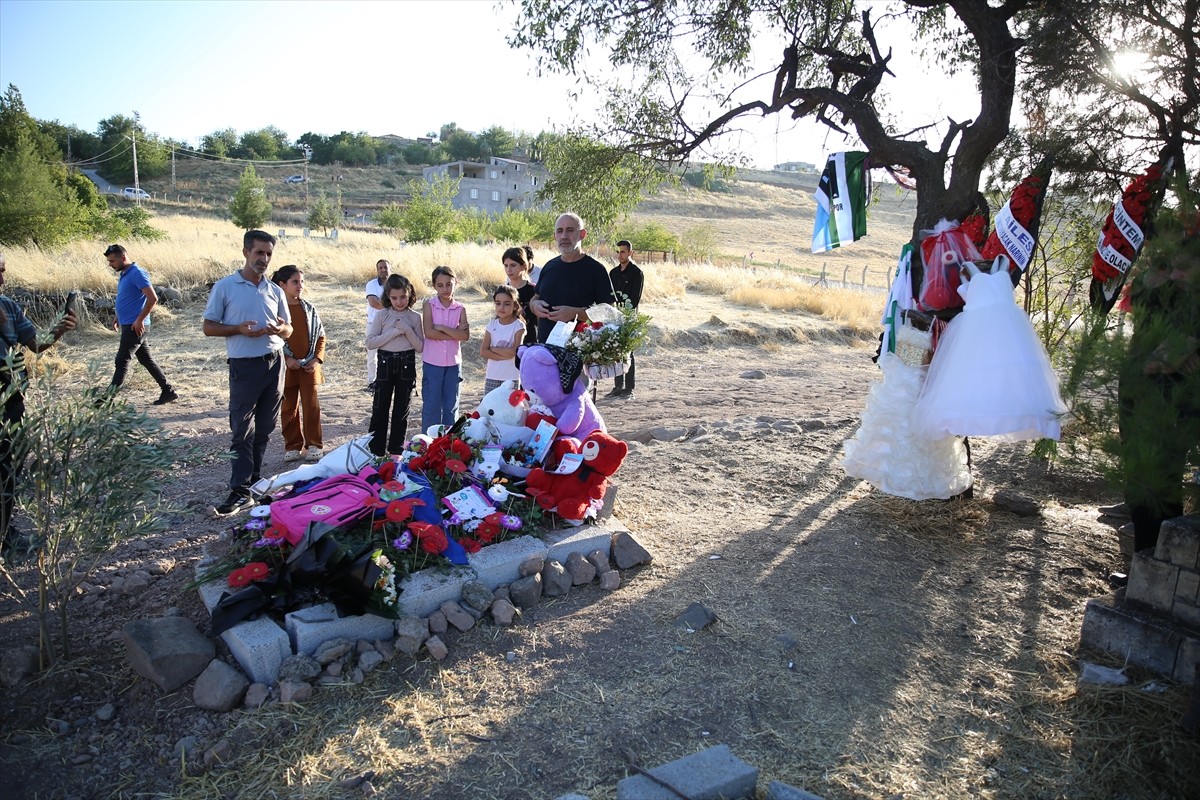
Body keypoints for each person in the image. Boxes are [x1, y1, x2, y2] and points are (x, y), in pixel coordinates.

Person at [203, 230, 292, 516]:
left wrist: (281, 330)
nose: (263, 259)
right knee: (242, 429)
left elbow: (289, 329)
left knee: (265, 427)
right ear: (245, 252)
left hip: (274, 363)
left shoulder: (276, 290)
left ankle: (254, 482)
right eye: (258, 252)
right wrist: (238, 329)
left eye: (268, 254)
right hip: (244, 366)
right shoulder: (226, 287)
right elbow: (209, 327)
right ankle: (238, 491)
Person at [0, 251, 77, 554]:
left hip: (11, 396)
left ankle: (5, 533)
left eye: (3, 270)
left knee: (10, 462)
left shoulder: (8, 305)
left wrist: (61, 327)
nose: (1, 278)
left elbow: (37, 342)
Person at [103, 244, 177, 405]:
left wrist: (139, 320)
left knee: (121, 360)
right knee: (146, 360)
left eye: (112, 261)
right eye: (109, 261)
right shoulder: (124, 273)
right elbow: (129, 298)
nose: (110, 264)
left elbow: (153, 298)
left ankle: (106, 401)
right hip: (129, 323)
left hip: (135, 326)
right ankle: (168, 391)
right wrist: (118, 316)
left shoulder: (137, 273)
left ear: (123, 258)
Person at [530, 213, 616, 343]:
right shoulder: (549, 266)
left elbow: (609, 312)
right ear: (555, 236)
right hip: (545, 350)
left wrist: (575, 313)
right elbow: (535, 297)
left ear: (582, 234)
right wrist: (534, 305)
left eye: (570, 230)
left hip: (581, 352)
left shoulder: (596, 270)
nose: (564, 236)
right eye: (559, 231)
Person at [272, 265, 325, 463]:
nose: (300, 286)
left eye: (302, 281)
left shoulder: (310, 309)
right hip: (286, 368)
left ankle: (314, 444)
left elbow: (321, 336)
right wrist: (287, 360)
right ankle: (292, 445)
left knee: (311, 407)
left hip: (309, 367)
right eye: (295, 282)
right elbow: (272, 339)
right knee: (288, 408)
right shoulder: (275, 311)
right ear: (282, 285)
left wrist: (316, 359)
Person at [367, 274, 424, 457]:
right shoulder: (382, 315)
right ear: (387, 297)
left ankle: (396, 450)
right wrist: (393, 332)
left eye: (403, 297)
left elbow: (420, 347)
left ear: (410, 295)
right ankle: (375, 451)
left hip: (406, 364)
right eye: (394, 298)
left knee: (402, 409)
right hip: (385, 363)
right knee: (380, 407)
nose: (399, 302)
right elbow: (370, 342)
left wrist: (406, 330)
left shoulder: (415, 317)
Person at [421, 266, 469, 432]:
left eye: (449, 284)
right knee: (432, 406)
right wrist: (455, 333)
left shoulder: (460, 308)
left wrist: (441, 327)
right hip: (432, 363)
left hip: (454, 364)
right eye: (440, 285)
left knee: (451, 406)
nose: (445, 289)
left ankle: (450, 443)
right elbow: (429, 332)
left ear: (456, 283)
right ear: (434, 286)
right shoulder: (429, 305)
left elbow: (465, 336)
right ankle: (428, 443)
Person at [608, 239, 645, 398]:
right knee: (616, 350)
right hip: (614, 316)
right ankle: (618, 386)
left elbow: (635, 298)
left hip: (628, 316)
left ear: (630, 253)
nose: (620, 255)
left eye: (623, 251)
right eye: (618, 251)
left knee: (628, 351)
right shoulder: (613, 273)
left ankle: (629, 387)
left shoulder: (637, 273)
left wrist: (625, 312)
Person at [481, 285, 526, 395]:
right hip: (492, 375)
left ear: (515, 306)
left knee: (509, 409)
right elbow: (484, 351)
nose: (501, 307)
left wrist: (493, 349)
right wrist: (506, 355)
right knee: (490, 408)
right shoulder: (492, 325)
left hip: (511, 377)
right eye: (498, 303)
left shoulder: (518, 326)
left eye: (506, 304)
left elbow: (514, 351)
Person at [502, 246, 538, 346]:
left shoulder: (533, 290)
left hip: (529, 341)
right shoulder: (503, 291)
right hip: (507, 341)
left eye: (513, 265)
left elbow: (538, 320)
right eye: (506, 265)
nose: (509, 270)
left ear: (523, 266)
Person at [364, 259, 389, 391]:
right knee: (372, 355)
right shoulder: (371, 284)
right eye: (380, 268)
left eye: (385, 267)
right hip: (373, 323)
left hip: (390, 323)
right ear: (377, 270)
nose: (383, 270)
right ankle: (372, 381)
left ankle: (386, 381)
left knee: (388, 354)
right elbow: (374, 303)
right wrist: (392, 306)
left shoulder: (394, 284)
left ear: (390, 268)